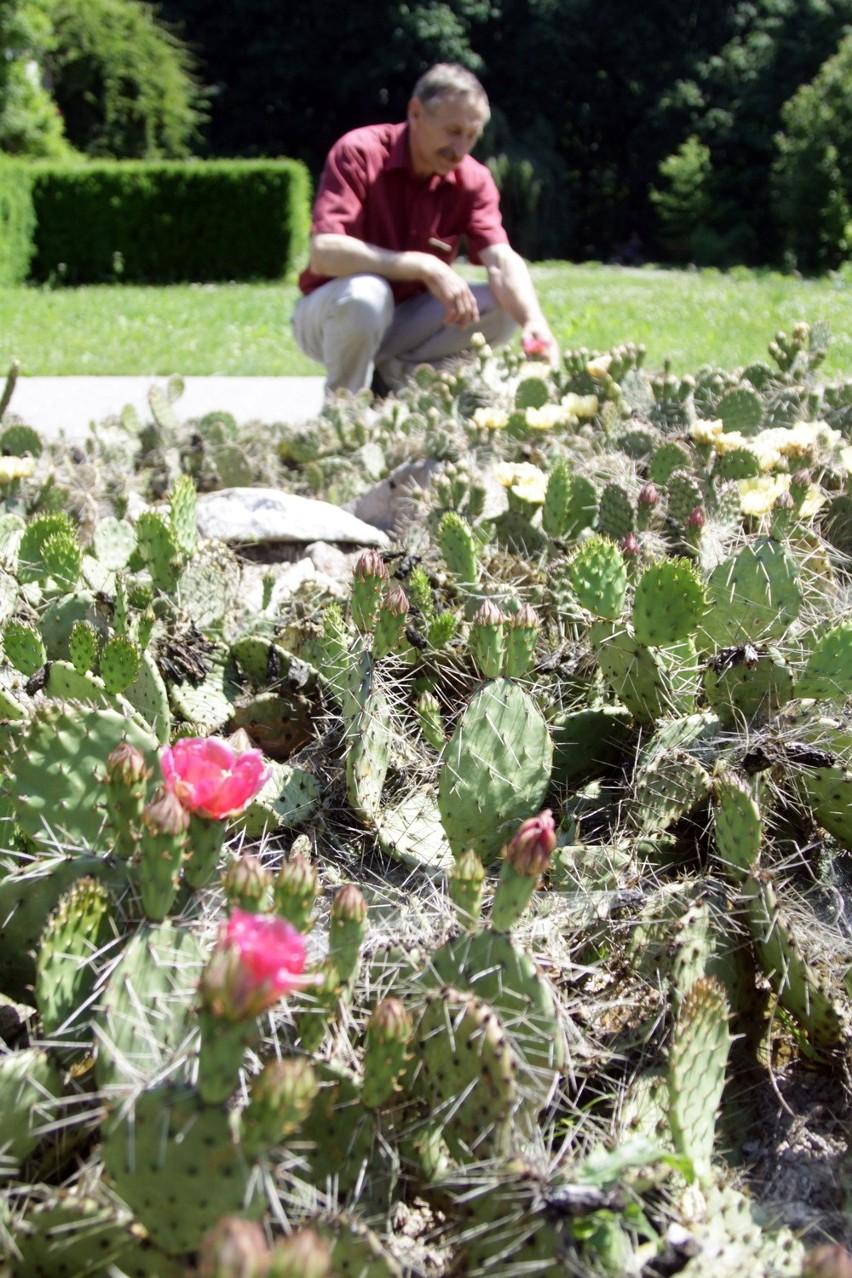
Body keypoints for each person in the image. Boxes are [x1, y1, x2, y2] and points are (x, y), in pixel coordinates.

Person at [292, 62, 557, 397]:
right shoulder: (360, 152)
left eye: (471, 136)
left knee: (504, 307)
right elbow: (324, 254)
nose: (460, 148)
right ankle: (343, 416)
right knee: (367, 293)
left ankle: (394, 382)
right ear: (415, 113)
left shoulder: (472, 179)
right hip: (331, 315)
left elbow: (501, 259)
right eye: (452, 131)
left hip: (405, 323)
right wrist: (423, 264)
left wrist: (535, 322)